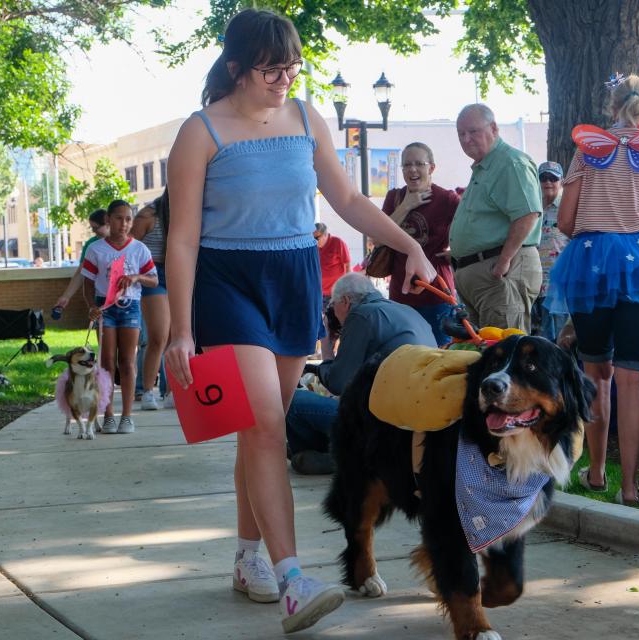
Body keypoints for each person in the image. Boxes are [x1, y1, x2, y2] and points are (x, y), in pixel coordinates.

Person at [163, 9, 434, 632]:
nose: (285, 78)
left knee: (260, 426)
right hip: (227, 284)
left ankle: (247, 556)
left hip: (292, 278)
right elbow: (180, 239)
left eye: (292, 67)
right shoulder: (200, 132)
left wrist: (409, 246)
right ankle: (292, 579)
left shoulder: (309, 118)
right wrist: (181, 327)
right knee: (263, 427)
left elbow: (346, 199)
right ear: (237, 68)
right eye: (271, 69)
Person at [545, 74, 639, 507]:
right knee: (632, 380)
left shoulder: (588, 150)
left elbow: (567, 223)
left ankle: (594, 471)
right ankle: (629, 487)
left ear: (612, 108)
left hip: (590, 263)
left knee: (597, 374)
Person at [286, 273, 437, 474]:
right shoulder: (405, 311)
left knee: (291, 400)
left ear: (346, 301)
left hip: (382, 426)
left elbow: (338, 383)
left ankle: (337, 455)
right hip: (415, 426)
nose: (332, 312)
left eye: (332, 306)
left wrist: (326, 340)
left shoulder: (361, 315)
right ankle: (341, 455)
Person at [449, 103, 543, 333]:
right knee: (486, 357)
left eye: (473, 131)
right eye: (461, 133)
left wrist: (503, 262)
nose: (466, 139)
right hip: (483, 274)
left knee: (504, 353)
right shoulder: (486, 167)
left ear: (493, 128)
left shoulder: (510, 162)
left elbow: (527, 213)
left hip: (500, 272)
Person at [82, 199, 157, 435]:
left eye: (128, 219)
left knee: (127, 361)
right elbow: (87, 282)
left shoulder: (139, 249)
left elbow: (153, 279)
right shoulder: (96, 249)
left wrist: (135, 277)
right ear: (108, 219)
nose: (123, 224)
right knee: (107, 361)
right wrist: (92, 306)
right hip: (106, 310)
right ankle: (108, 415)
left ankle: (126, 416)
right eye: (118, 218)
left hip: (130, 307)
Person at [380, 142, 460, 346]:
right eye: (406, 165)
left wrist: (457, 252)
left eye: (418, 164)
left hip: (438, 295)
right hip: (401, 295)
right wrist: (406, 205)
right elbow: (378, 237)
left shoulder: (448, 199)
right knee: (405, 353)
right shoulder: (394, 197)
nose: (412, 170)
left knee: (441, 353)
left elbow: (469, 229)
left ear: (431, 168)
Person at [131, 190, 171, 410]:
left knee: (177, 336)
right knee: (158, 337)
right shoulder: (148, 215)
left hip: (177, 272)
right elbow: (130, 248)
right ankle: (147, 391)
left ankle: (172, 392)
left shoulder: (188, 212)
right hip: (152, 273)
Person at [532, 161, 570, 341]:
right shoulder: (533, 207)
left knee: (562, 336)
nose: (548, 182)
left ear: (561, 181)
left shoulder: (567, 207)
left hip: (560, 282)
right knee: (541, 335)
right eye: (543, 178)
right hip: (535, 281)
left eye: (553, 178)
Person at [54, 209, 109, 310]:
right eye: (92, 228)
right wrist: (66, 296)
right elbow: (81, 272)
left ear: (108, 223)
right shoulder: (91, 245)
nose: (94, 231)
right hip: (100, 297)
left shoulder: (127, 242)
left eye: (96, 228)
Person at [314, 222, 350, 357]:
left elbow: (347, 265)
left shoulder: (337, 243)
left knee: (339, 325)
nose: (314, 241)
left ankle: (340, 353)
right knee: (324, 326)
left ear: (324, 235)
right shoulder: (314, 247)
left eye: (316, 238)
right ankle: (327, 356)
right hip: (320, 294)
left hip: (337, 294)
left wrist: (346, 289)